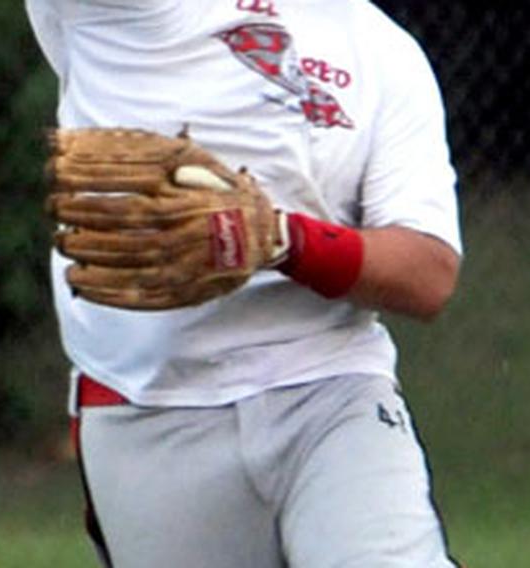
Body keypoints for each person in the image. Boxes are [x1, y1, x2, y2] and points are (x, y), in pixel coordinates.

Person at [25, 1, 463, 566]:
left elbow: (428, 274)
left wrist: (282, 240)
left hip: (329, 389)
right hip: (149, 402)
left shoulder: (385, 52)